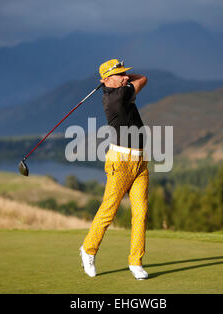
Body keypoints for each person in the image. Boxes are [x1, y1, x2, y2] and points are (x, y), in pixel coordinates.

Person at [80, 59, 149, 280]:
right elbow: (143, 78)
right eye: (120, 74)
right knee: (108, 210)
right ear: (106, 80)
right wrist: (122, 81)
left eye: (124, 73)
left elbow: (135, 79)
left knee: (141, 213)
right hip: (120, 163)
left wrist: (118, 77)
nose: (125, 77)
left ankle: (135, 262)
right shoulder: (118, 97)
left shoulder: (118, 90)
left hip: (140, 162)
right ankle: (88, 250)